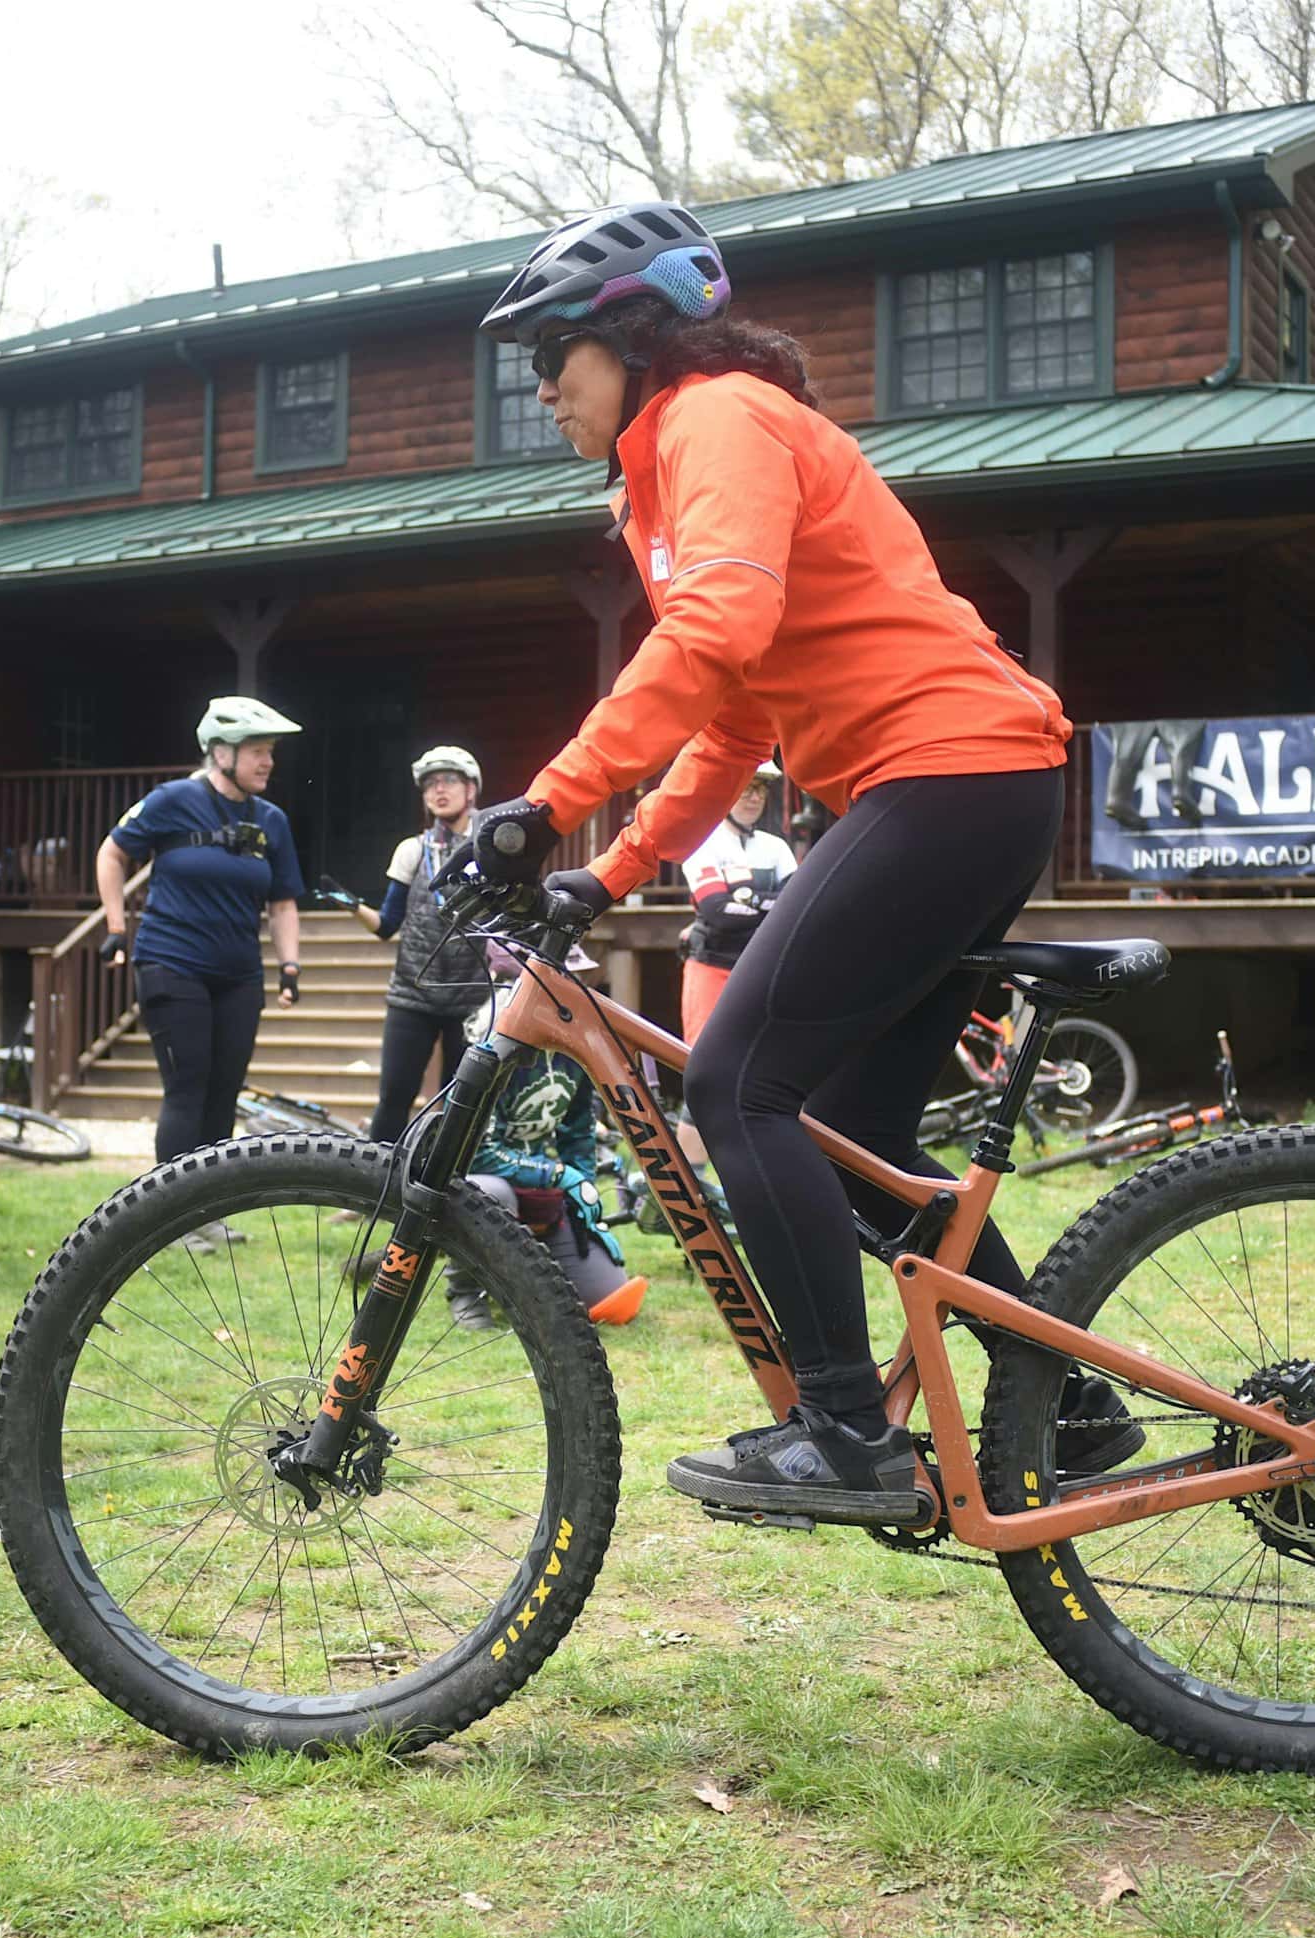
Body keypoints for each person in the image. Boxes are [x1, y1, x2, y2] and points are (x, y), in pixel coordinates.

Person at [464, 202, 1142, 1524]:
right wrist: (609, 872)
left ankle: (844, 1433)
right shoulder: (671, 468)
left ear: (634, 337)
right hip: (965, 781)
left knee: (736, 1082)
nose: (539, 387)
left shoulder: (714, 418)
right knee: (852, 1140)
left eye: (556, 352)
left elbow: (718, 629)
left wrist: (548, 802)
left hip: (946, 773)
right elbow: (735, 719)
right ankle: (1065, 1398)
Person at [97, 698, 305, 1245]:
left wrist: (289, 964)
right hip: (172, 962)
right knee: (187, 1087)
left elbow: (283, 902)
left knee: (222, 1091)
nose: (268, 763)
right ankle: (171, 1218)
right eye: (258, 752)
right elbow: (112, 854)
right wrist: (117, 925)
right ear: (220, 752)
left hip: (239, 974)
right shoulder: (174, 800)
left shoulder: (272, 821)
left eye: (270, 753)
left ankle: (208, 1212)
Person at [454, 943, 647, 1331]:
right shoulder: (489, 1044)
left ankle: (531, 1263)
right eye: (560, 980)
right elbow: (475, 1153)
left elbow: (577, 1132)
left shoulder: (573, 1042)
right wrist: (559, 1176)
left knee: (608, 1300)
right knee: (492, 1193)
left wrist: (583, 1191)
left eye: (575, 978)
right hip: (479, 1179)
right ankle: (465, 1291)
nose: (574, 988)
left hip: (539, 1181)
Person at [319, 747, 492, 1143]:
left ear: (471, 790)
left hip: (472, 998)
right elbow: (386, 926)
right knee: (394, 1097)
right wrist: (349, 904)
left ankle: (450, 1190)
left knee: (461, 1102)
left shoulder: (489, 850)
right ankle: (374, 1186)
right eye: (430, 785)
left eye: (449, 781)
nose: (438, 790)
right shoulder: (412, 850)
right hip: (413, 995)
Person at [674, 759, 794, 1171]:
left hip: (760, 972)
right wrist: (767, 904)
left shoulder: (775, 848)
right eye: (746, 786)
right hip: (711, 969)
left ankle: (746, 1176)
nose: (753, 796)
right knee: (704, 1075)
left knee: (761, 1073)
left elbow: (792, 911)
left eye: (761, 789)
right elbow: (717, 913)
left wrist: (745, 902)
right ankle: (689, 1184)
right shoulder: (704, 842)